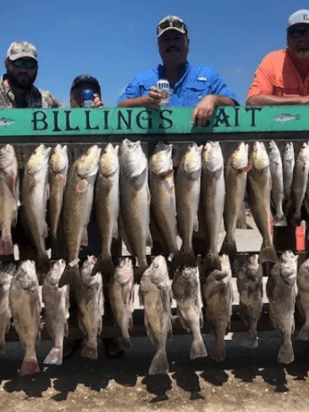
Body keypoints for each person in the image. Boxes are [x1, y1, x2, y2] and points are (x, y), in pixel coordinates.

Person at [118, 15, 237, 127]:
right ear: (159, 46)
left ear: (187, 43)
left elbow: (232, 103)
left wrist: (213, 99)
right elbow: (121, 105)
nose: (172, 43)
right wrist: (145, 101)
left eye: (177, 38)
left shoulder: (208, 74)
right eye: (166, 39)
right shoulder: (143, 79)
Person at [247, 9, 309, 106]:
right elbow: (253, 101)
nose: (303, 39)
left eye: (308, 33)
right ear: (287, 39)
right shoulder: (272, 61)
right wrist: (301, 100)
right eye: (296, 33)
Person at [0, 41, 59, 108]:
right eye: (19, 63)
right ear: (7, 64)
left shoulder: (47, 102)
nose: (24, 70)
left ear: (37, 68)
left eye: (30, 64)